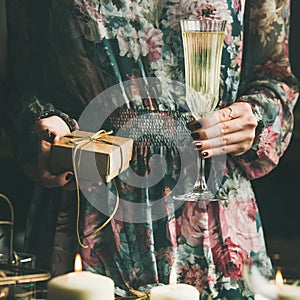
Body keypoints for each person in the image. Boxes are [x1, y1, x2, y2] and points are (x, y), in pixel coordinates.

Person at [1, 0, 299, 298]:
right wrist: (36, 121)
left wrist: (256, 116)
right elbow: (19, 78)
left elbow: (274, 76)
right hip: (89, 204)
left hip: (209, 209)